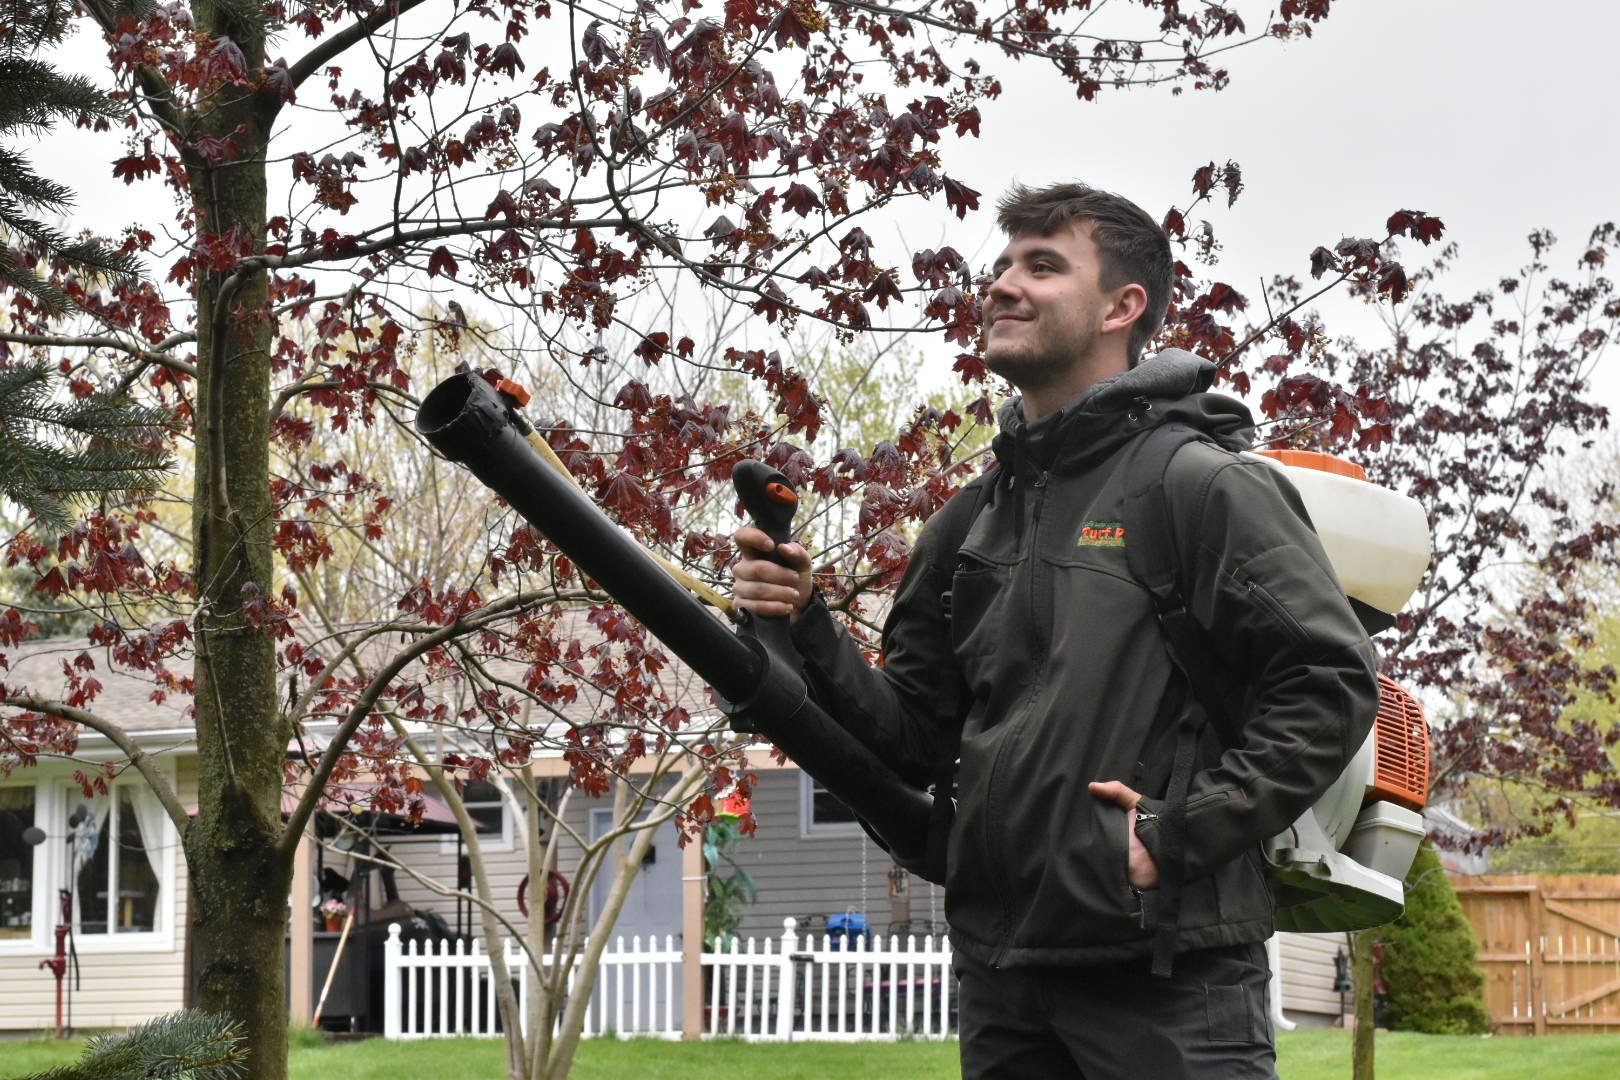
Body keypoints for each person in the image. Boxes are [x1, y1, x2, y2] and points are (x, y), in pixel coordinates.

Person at [731, 182, 1379, 1079]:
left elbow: (1329, 684)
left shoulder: (1201, 487)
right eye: (1000, 266)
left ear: (1123, 307)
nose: (1002, 285)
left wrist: (1178, 832)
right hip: (1005, 984)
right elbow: (916, 737)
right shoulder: (968, 524)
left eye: (1042, 265)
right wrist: (807, 625)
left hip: (1170, 985)